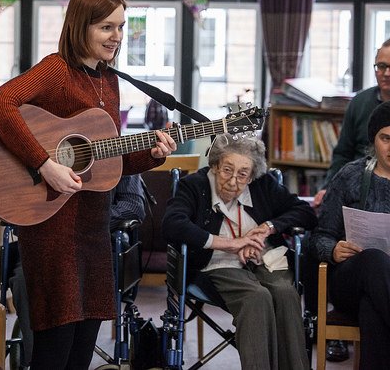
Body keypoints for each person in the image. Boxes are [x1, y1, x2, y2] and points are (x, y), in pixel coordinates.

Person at [0, 0, 176, 369]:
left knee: (86, 338)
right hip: (52, 225)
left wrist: (152, 155)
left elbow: (106, 159)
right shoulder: (56, 70)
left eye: (121, 27)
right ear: (80, 26)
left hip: (92, 226)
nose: (117, 37)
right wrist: (44, 163)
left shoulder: (109, 80)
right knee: (56, 343)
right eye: (106, 27)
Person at [162, 133, 317, 370]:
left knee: (286, 293)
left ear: (252, 175)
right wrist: (228, 243)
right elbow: (172, 223)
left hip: (264, 258)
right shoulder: (194, 185)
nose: (234, 181)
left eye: (243, 174)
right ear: (214, 165)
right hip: (218, 264)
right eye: (227, 170)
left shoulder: (263, 185)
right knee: (256, 297)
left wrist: (268, 227)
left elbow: (305, 212)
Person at [9, 174, 148, 367]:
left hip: (97, 246)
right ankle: (37, 359)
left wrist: (86, 219)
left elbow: (133, 206)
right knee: (23, 282)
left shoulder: (114, 147)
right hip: (44, 246)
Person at [309, 101, 390, 369]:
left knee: (372, 309)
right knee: (374, 259)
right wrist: (332, 250)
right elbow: (320, 235)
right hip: (349, 281)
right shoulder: (350, 175)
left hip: (379, 292)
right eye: (385, 139)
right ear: (373, 140)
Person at [313, 38, 390, 207]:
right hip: (357, 185)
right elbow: (343, 153)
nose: (386, 73)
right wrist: (329, 188)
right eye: (381, 66)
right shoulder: (360, 102)